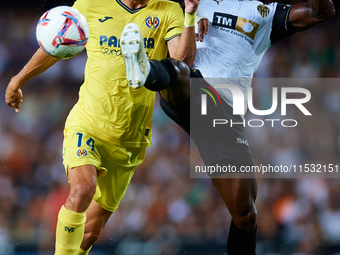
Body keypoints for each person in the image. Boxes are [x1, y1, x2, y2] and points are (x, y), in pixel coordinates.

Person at [122, 0, 335, 254]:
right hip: (192, 88)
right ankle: (145, 70)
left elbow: (323, 11)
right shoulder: (193, 3)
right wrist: (185, 20)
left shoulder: (265, 12)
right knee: (180, 72)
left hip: (223, 115)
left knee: (246, 214)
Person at [5, 0, 199, 253]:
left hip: (130, 140)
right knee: (83, 189)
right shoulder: (90, 5)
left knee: (90, 233)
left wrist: (191, 16)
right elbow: (57, 43)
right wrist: (18, 79)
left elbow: (180, 64)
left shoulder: (168, 10)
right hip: (88, 124)